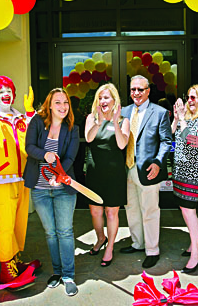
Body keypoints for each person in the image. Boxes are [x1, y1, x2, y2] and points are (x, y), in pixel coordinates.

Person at [0, 76, 40, 286]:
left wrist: (30, 112)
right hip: (1, 180)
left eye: (9, 90)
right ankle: (6, 268)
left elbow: (37, 135)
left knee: (19, 223)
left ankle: (15, 260)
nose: (6, 93)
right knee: (4, 226)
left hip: (23, 177)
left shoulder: (21, 118)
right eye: (0, 90)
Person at [24, 88, 79, 296]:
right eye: (58, 102)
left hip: (63, 188)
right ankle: (57, 273)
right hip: (40, 189)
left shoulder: (72, 128)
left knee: (65, 232)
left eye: (65, 102)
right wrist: (44, 153)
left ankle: (68, 275)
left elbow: (71, 157)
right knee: (50, 233)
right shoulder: (38, 122)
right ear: (49, 104)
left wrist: (60, 175)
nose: (62, 107)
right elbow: (29, 147)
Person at [120, 75, 172, 268]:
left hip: (149, 170)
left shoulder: (159, 112)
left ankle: (152, 249)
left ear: (148, 91)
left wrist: (158, 162)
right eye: (133, 89)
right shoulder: (124, 111)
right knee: (131, 208)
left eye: (140, 90)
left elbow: (166, 141)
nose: (136, 93)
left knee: (149, 210)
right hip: (126, 169)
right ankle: (138, 243)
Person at [85, 83, 130, 267]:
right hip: (95, 172)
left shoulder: (123, 121)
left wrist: (114, 123)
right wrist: (98, 123)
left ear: (114, 101)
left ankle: (110, 247)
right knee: (95, 211)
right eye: (101, 98)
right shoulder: (91, 118)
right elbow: (88, 138)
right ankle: (100, 238)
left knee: (112, 213)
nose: (103, 101)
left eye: (107, 98)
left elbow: (121, 145)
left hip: (115, 175)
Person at [171, 85, 198, 273]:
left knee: (189, 211)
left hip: (194, 171)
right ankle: (194, 242)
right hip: (180, 170)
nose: (189, 101)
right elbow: (173, 133)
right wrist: (176, 117)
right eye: (188, 97)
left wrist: (181, 118)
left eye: (193, 98)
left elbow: (191, 140)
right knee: (186, 210)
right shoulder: (186, 117)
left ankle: (196, 253)